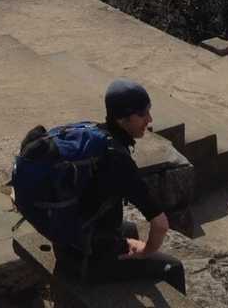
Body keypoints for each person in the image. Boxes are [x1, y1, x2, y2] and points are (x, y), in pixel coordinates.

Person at [12, 80, 188, 290]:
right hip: (88, 259)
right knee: (173, 267)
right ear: (122, 119)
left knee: (130, 229)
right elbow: (160, 225)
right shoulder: (117, 159)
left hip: (68, 241)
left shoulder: (92, 134)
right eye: (142, 114)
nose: (149, 120)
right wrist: (145, 252)